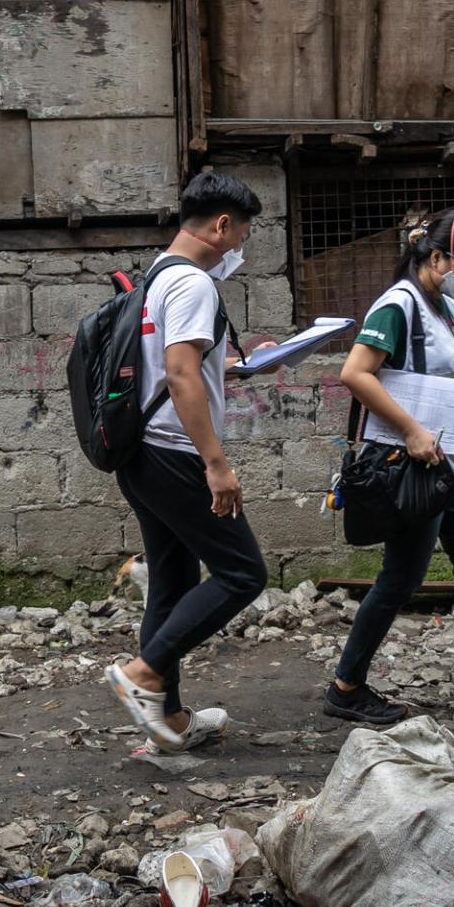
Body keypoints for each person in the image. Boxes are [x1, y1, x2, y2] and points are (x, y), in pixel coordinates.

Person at [104, 171, 278, 752]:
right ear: (222, 225)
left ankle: (168, 722)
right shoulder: (195, 285)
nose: (241, 247)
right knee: (243, 572)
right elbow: (179, 374)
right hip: (176, 453)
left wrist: (236, 369)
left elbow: (176, 367)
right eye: (243, 232)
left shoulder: (157, 277)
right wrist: (217, 463)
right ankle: (142, 673)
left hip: (144, 452)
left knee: (173, 582)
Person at [325, 209, 454, 725]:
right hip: (416, 463)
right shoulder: (396, 307)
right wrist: (411, 431)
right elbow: (355, 374)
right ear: (438, 256)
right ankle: (346, 685)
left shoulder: (447, 308)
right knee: (401, 577)